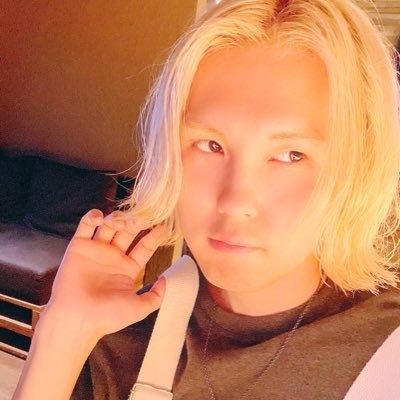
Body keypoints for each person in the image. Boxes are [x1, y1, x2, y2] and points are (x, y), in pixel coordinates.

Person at [13, 0, 400, 399]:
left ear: (358, 166)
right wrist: (63, 331)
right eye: (210, 145)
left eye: (290, 155)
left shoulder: (388, 353)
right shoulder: (117, 337)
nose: (234, 201)